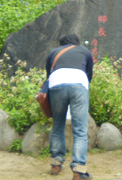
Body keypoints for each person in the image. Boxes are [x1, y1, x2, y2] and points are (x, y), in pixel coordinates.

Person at [46, 34, 94, 179]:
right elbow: (89, 73)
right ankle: (78, 171)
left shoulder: (53, 52)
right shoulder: (84, 50)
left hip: (56, 84)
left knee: (58, 124)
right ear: (76, 43)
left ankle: (55, 163)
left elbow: (49, 73)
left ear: (61, 44)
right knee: (80, 129)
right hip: (79, 84)